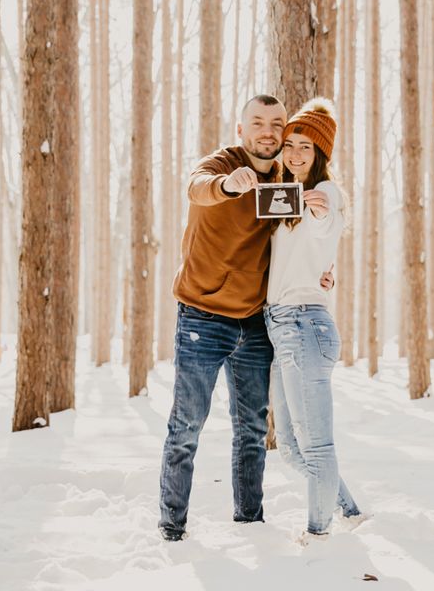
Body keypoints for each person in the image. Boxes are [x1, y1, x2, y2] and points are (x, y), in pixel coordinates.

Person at [157, 94, 288, 542]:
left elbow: (294, 244)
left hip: (255, 321)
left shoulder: (286, 182)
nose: (266, 131)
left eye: (276, 123)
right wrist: (230, 185)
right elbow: (198, 186)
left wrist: (319, 272)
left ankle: (250, 523)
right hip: (202, 316)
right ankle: (172, 528)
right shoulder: (221, 165)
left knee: (252, 429)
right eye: (257, 122)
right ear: (241, 129)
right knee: (187, 425)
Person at [264, 97, 362, 541]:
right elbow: (309, 252)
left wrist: (320, 211)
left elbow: (325, 219)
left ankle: (319, 535)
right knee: (289, 446)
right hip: (280, 327)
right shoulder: (283, 199)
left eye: (306, 147)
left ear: (321, 153)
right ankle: (349, 511)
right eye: (290, 145)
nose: (296, 154)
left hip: (304, 326)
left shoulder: (325, 194)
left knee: (317, 445)